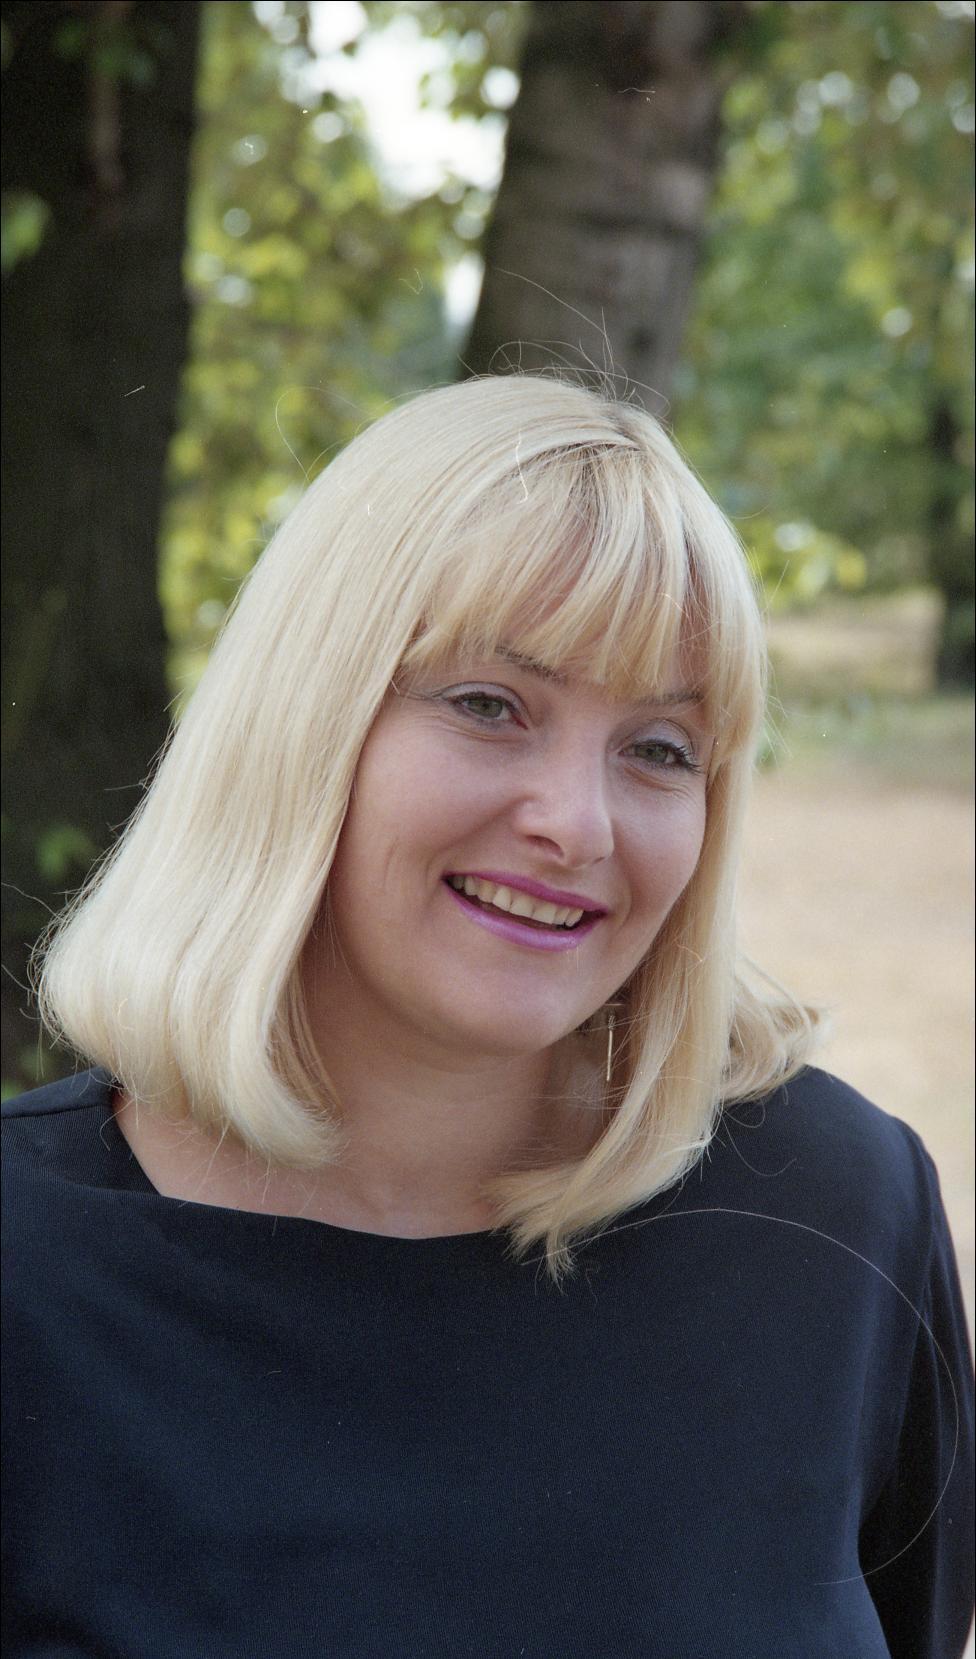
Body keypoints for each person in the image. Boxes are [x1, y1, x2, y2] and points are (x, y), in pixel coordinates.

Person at [2, 374, 972, 1659]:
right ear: (303, 722)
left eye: (659, 748)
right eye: (488, 706)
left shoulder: (837, 1214)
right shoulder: (28, 1272)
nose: (576, 824)